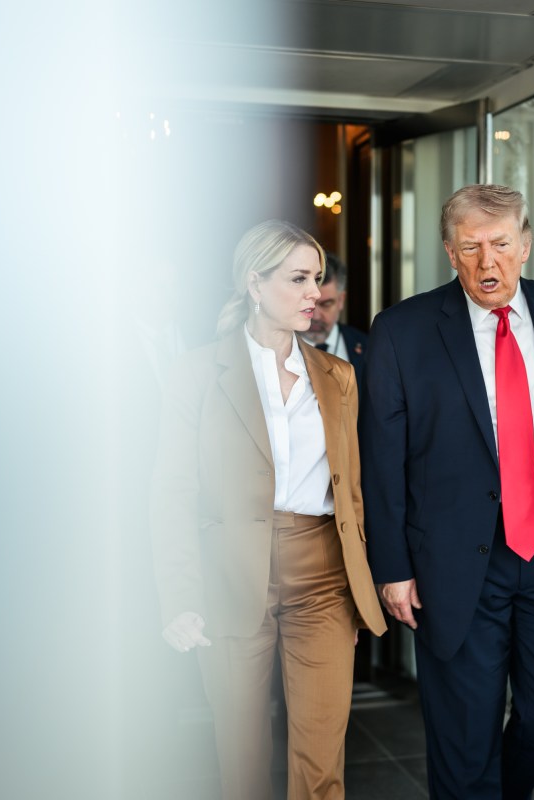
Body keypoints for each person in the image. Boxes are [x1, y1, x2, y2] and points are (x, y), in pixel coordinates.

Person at [361, 184, 534, 799]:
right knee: (464, 733)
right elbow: (382, 461)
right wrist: (393, 567)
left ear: (525, 246)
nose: (489, 262)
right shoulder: (402, 331)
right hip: (449, 556)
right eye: (472, 247)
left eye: (502, 244)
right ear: (451, 253)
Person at [150, 219, 387, 800]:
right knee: (242, 760)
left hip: (323, 581)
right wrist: (180, 597)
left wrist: (360, 589)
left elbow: (352, 492)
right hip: (230, 576)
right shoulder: (198, 372)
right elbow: (172, 491)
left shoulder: (339, 376)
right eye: (299, 278)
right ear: (255, 284)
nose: (316, 293)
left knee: (322, 757)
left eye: (319, 279)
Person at [303, 252, 368, 389]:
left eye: (326, 304)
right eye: (309, 303)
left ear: (341, 300)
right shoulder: (273, 349)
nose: (315, 316)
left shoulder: (368, 347)